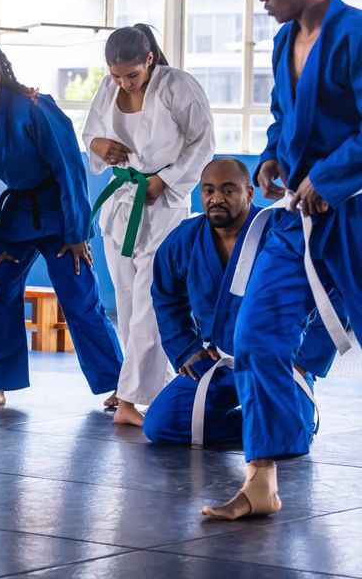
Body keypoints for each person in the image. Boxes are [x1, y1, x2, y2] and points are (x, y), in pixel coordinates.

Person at [204, 0, 362, 520]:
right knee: (253, 338)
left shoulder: (356, 33)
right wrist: (272, 157)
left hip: (353, 213)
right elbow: (283, 117)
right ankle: (261, 481)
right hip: (297, 219)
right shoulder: (283, 42)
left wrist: (331, 176)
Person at [0, 46, 123, 408]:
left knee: (78, 295)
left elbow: (69, 168)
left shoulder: (35, 107)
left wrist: (78, 233)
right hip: (17, 214)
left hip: (57, 211)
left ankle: (118, 386)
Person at [143, 158, 337, 445]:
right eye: (208, 191)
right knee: (160, 425)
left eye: (228, 190)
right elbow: (166, 294)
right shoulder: (185, 238)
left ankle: (280, 426)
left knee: (295, 435)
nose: (216, 199)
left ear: (248, 193)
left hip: (279, 362)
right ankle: (267, 427)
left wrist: (307, 360)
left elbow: (334, 293)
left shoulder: (281, 232)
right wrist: (186, 348)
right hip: (220, 362)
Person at [83, 24, 215, 427]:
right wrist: (98, 146)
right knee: (125, 300)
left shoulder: (178, 87)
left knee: (150, 302)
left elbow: (204, 142)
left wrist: (167, 179)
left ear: (150, 60)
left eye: (132, 75)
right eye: (116, 75)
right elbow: (90, 133)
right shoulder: (108, 90)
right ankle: (145, 389)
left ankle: (128, 401)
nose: (123, 82)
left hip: (162, 206)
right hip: (120, 204)